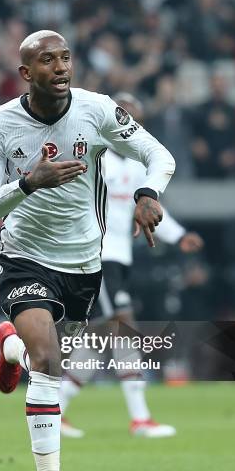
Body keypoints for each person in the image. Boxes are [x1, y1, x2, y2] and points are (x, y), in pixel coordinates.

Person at [0, 30, 175, 471]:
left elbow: (159, 156)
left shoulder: (97, 110)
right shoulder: (0, 124)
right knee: (50, 362)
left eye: (65, 57)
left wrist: (149, 193)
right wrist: (27, 183)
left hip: (84, 263)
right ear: (25, 73)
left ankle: (9, 347)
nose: (60, 67)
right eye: (47, 60)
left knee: (42, 354)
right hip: (24, 256)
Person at [58, 93, 203, 439]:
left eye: (134, 121)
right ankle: (139, 418)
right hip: (95, 256)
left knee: (96, 340)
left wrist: (179, 234)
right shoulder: (94, 158)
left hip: (119, 259)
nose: (128, 126)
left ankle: (56, 410)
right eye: (124, 117)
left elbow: (149, 211)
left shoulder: (139, 166)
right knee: (123, 327)